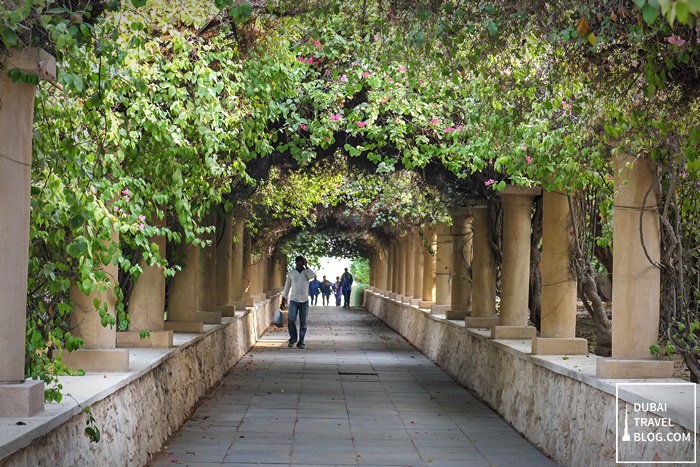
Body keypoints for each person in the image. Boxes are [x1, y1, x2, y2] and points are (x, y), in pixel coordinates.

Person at [281, 256, 314, 349]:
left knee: (303, 322)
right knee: (291, 319)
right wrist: (283, 299)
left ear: (303, 264)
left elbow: (312, 276)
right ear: (295, 263)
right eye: (298, 264)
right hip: (293, 300)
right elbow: (287, 287)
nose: (299, 266)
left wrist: (307, 266)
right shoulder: (291, 273)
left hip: (304, 300)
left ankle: (301, 342)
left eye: (301, 264)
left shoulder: (307, 273)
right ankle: (293, 339)